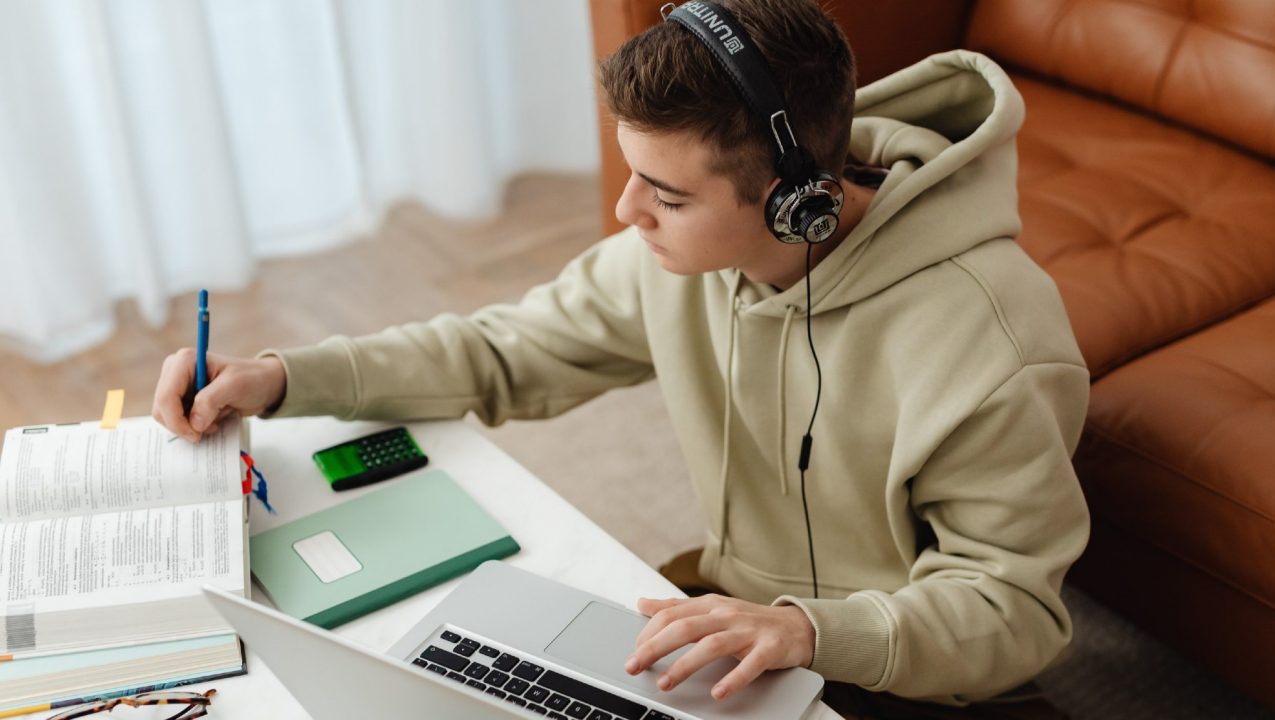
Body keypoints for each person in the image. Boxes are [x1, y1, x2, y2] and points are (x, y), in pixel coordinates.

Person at [152, 1, 1089, 717]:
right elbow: (504, 349)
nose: (624, 213)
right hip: (728, 632)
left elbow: (1015, 609)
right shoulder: (673, 262)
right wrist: (283, 376)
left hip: (905, 677)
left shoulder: (994, 344)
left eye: (667, 196)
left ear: (792, 201)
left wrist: (810, 630)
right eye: (630, 171)